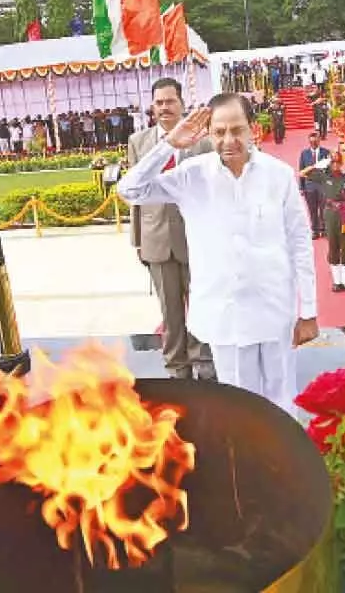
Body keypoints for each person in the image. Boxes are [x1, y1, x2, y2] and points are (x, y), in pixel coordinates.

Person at [118, 92, 319, 417]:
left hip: (274, 309)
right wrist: (169, 144)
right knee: (240, 408)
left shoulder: (278, 175)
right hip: (225, 316)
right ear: (208, 133)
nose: (229, 140)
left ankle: (284, 467)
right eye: (220, 131)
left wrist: (308, 310)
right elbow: (129, 190)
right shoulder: (192, 176)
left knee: (282, 402)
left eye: (237, 130)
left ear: (253, 128)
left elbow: (299, 242)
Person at [125, 78, 216, 381]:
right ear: (152, 107)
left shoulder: (202, 142)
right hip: (157, 239)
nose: (164, 107)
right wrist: (138, 240)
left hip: (196, 239)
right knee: (170, 311)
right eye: (159, 102)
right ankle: (177, 367)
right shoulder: (139, 142)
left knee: (200, 304)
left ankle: (203, 360)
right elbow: (135, 197)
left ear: (181, 104)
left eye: (170, 101)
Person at [302, 152, 345, 292]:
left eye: (338, 162)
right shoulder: (323, 176)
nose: (335, 165)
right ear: (330, 163)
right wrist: (317, 165)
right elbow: (302, 173)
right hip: (330, 215)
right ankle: (337, 281)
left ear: (341, 163)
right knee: (333, 245)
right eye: (333, 162)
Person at [297, 131, 332, 239]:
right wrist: (301, 187)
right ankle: (315, 230)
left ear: (319, 140)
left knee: (324, 208)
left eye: (315, 141)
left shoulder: (326, 152)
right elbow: (301, 170)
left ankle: (324, 229)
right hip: (310, 186)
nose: (313, 143)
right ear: (309, 142)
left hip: (322, 184)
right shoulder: (304, 153)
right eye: (311, 141)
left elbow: (330, 170)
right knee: (312, 209)